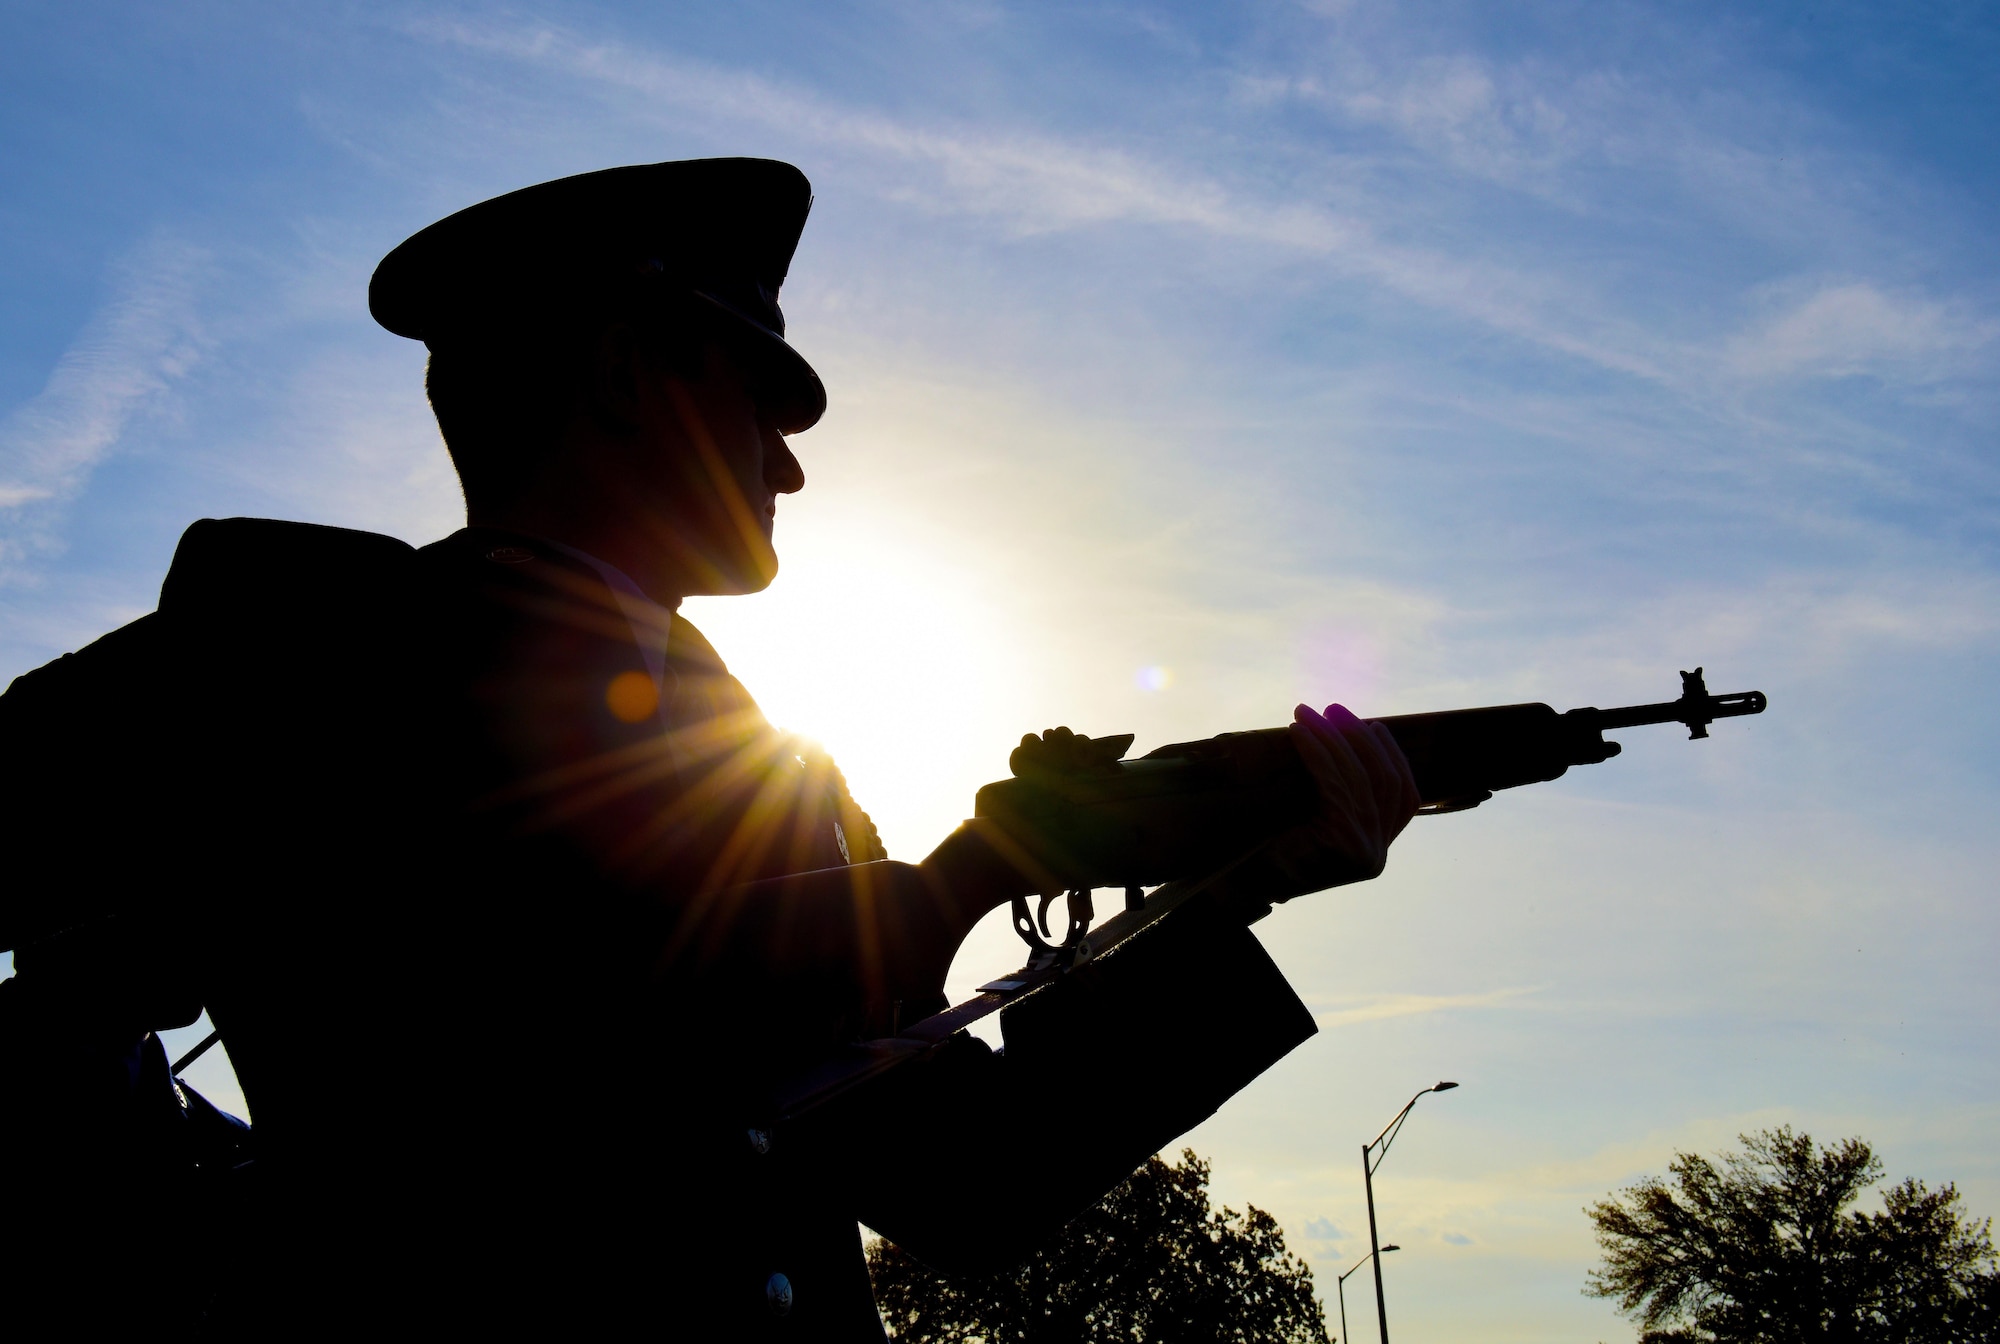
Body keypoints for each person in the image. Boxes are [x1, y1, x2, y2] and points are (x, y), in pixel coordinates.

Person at [0, 158, 1418, 1338]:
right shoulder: (293, 645)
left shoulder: (779, 775)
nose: (790, 463)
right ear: (623, 375)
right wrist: (180, 1218)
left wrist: (1233, 893)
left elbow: (970, 1184)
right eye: (761, 403)